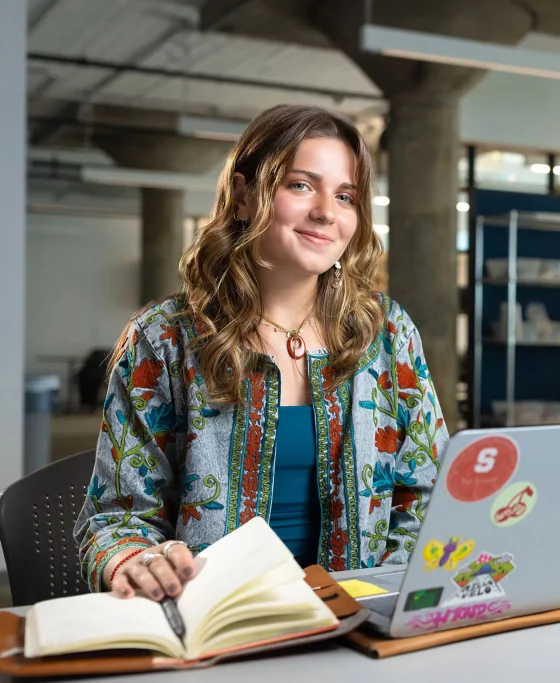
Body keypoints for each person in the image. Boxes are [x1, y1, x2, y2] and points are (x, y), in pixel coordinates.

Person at [73, 104, 448, 601]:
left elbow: (430, 493)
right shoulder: (165, 338)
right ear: (246, 196)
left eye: (345, 196)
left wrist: (387, 597)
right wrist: (137, 561)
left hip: (359, 618)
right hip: (219, 618)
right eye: (300, 185)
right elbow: (115, 518)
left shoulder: (385, 332)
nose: (326, 212)